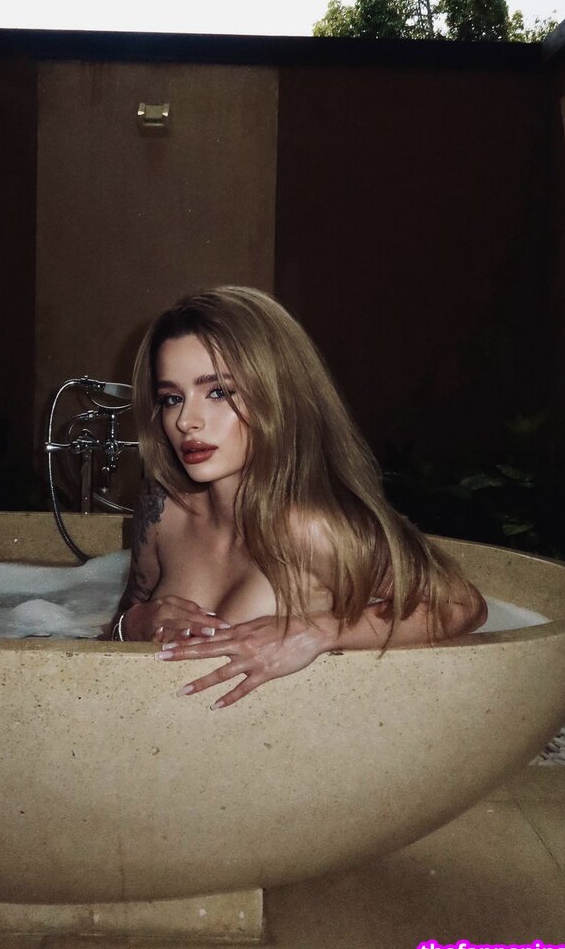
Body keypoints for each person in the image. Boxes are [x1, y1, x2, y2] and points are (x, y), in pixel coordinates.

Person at [105, 285, 487, 708]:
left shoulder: (311, 527)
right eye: (172, 398)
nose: (185, 421)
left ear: (277, 395)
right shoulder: (163, 509)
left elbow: (462, 605)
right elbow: (116, 629)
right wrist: (133, 624)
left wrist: (318, 631)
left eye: (218, 392)